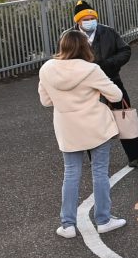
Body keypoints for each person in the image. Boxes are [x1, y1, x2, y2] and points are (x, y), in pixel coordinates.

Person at [37, 27, 128, 240]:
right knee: (99, 172)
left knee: (71, 173)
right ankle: (104, 219)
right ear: (84, 47)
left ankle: (67, 224)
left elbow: (45, 101)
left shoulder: (47, 68)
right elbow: (115, 95)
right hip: (96, 125)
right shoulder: (91, 69)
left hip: (67, 126)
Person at [74, 0, 138, 171]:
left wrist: (108, 64)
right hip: (85, 87)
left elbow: (125, 51)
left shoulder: (108, 32)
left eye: (92, 18)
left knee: (124, 116)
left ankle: (136, 156)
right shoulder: (70, 36)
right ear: (78, 21)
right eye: (85, 19)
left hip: (111, 80)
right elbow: (63, 58)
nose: (89, 21)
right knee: (90, 122)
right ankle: (96, 160)